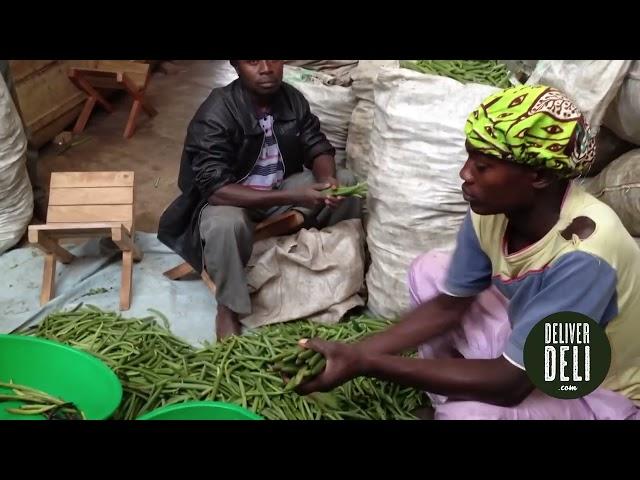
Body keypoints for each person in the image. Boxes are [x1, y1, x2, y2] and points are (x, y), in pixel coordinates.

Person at [295, 85, 640, 420]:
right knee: (429, 271)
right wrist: (353, 353)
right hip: (534, 341)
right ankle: (450, 391)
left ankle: (459, 403)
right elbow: (449, 306)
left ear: (537, 175)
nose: (465, 174)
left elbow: (512, 383)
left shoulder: (586, 254)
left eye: (483, 166)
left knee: (469, 414)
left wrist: (366, 363)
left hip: (593, 389)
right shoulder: (492, 213)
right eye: (469, 159)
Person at [158, 60, 361, 340]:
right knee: (226, 224)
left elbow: (317, 146)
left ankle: (327, 270)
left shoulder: (292, 99)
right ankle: (228, 306)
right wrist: (295, 195)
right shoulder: (217, 112)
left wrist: (327, 180)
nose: (266, 68)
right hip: (229, 202)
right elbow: (216, 190)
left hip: (276, 192)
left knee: (346, 182)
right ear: (235, 65)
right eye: (253, 61)